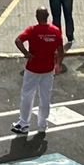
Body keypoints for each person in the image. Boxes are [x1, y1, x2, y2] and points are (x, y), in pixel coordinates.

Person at [11, 7, 65, 135]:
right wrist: (58, 64)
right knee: (45, 96)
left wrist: (26, 54)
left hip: (33, 68)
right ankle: (42, 124)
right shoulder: (56, 31)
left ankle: (24, 123)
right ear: (48, 16)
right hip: (48, 69)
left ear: (36, 16)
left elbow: (18, 40)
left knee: (27, 95)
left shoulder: (32, 30)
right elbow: (61, 51)